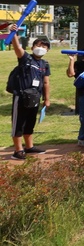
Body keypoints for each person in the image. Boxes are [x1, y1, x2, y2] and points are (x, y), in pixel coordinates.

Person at [7, 24, 50, 160]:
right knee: (19, 123)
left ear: (47, 50)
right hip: (21, 96)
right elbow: (17, 48)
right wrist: (13, 34)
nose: (41, 49)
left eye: (44, 47)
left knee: (30, 122)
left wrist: (47, 98)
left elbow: (46, 82)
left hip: (35, 97)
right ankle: (18, 150)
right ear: (32, 48)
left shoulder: (45, 64)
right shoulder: (26, 58)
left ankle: (29, 147)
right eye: (38, 46)